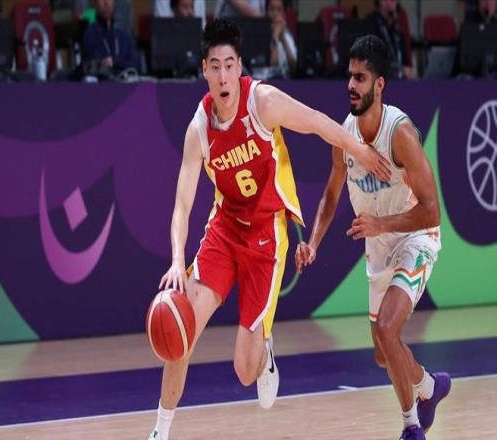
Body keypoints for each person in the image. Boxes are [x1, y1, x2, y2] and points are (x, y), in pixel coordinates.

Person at [148, 19, 391, 440]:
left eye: (229, 65)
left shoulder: (262, 102)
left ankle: (265, 351)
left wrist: (361, 151)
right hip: (224, 230)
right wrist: (175, 260)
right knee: (180, 326)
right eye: (214, 67)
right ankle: (159, 432)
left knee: (244, 372)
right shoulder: (199, 129)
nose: (223, 76)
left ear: (239, 66)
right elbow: (182, 204)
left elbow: (317, 121)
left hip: (266, 234)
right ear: (204, 71)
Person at [295, 35, 450, 440]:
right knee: (384, 354)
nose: (351, 84)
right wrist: (313, 242)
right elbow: (331, 194)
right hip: (379, 247)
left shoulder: (400, 134)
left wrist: (383, 225)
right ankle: (429, 387)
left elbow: (432, 210)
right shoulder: (344, 134)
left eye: (360, 78)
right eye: (350, 76)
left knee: (386, 329)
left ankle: (411, 426)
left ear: (379, 85)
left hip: (415, 237)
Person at [82, 0, 140, 74]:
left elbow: (136, 64)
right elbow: (95, 65)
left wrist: (116, 62)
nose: (106, 2)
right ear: (94, 2)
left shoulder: (123, 36)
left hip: (127, 78)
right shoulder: (90, 34)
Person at [366, 0, 414, 79]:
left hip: (401, 79)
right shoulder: (370, 24)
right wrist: (399, 70)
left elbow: (405, 62)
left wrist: (408, 71)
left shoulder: (397, 30)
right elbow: (371, 62)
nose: (391, 3)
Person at [267, 0, 297, 77]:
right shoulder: (260, 34)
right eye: (272, 9)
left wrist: (283, 38)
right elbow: (273, 65)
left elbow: (293, 68)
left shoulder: (287, 35)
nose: (275, 14)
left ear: (283, 14)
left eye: (279, 10)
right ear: (266, 12)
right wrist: (275, 35)